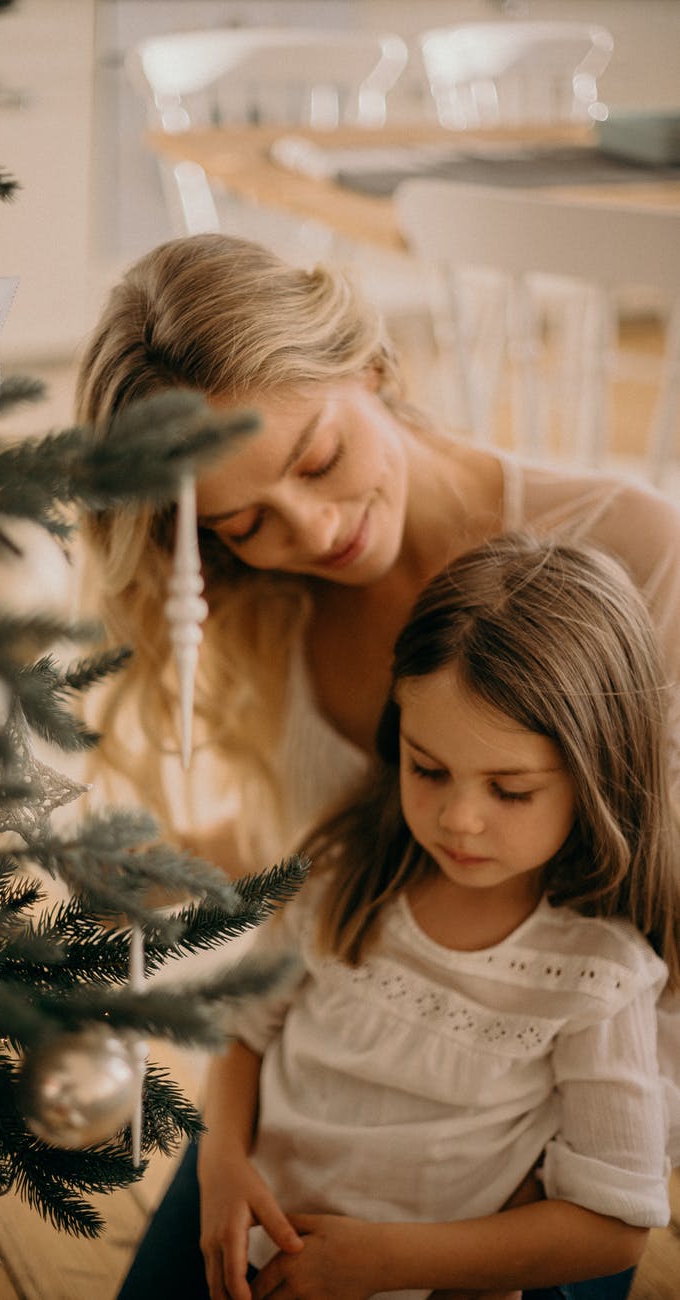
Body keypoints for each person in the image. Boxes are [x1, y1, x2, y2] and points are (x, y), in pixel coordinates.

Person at [75, 234, 680, 1295]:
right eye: (245, 520)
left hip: (547, 1125)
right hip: (318, 1106)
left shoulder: (640, 555)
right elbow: (311, 871)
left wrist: (483, 1215)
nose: (313, 530)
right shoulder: (260, 609)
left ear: (370, 364)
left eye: (318, 459)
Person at [119, 534, 679, 1300]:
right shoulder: (343, 874)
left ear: (597, 776)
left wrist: (386, 1264)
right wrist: (220, 1168)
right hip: (250, 1245)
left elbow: (613, 1226)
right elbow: (245, 1031)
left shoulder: (597, 976)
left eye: (510, 790)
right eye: (429, 768)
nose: (459, 819)